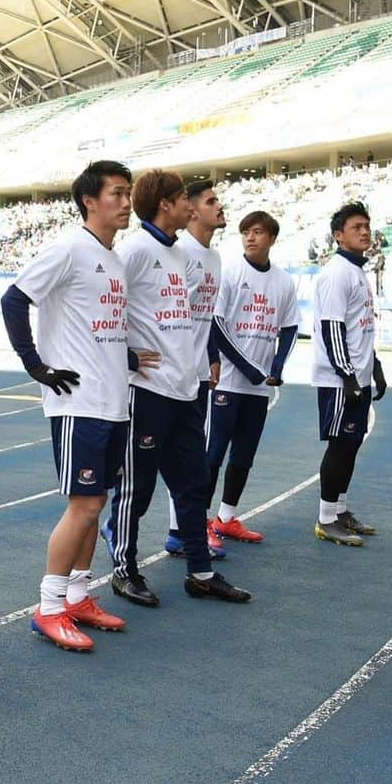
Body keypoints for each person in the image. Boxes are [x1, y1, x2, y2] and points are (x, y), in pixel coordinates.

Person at [0, 161, 160, 651]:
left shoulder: (111, 257)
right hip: (79, 402)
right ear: (90, 200)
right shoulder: (69, 249)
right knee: (84, 504)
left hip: (113, 400)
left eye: (128, 192)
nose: (126, 201)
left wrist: (126, 355)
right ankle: (48, 608)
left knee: (97, 504)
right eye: (116, 193)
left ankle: (77, 595)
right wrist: (36, 365)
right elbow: (14, 299)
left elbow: (97, 325)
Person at [104, 170, 251, 606]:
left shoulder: (178, 254)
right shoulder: (133, 251)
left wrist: (202, 361)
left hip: (185, 391)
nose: (191, 205)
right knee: (137, 488)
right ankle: (124, 570)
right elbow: (107, 306)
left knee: (192, 482)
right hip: (147, 391)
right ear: (166, 204)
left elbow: (189, 320)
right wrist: (127, 358)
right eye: (185, 198)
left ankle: (201, 572)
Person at [206, 211, 299, 542]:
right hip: (230, 381)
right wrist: (248, 368)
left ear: (271, 238)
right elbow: (216, 326)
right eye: (245, 232)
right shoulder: (230, 272)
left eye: (257, 232)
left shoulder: (284, 282)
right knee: (214, 452)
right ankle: (201, 523)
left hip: (259, 389)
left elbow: (289, 327)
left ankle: (226, 517)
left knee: (244, 454)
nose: (250, 237)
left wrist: (276, 368)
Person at [311, 202, 386, 545]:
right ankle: (326, 519)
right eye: (357, 227)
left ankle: (340, 510)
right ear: (338, 236)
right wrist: (349, 375)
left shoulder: (357, 271)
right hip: (341, 380)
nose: (365, 231)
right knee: (341, 445)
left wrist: (376, 367)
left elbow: (361, 328)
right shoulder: (337, 272)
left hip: (359, 375)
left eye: (367, 226)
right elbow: (332, 329)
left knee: (353, 444)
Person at [165, 180, 225, 559]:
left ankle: (182, 532)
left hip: (198, 372)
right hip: (171, 374)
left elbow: (206, 317)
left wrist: (212, 356)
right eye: (211, 200)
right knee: (167, 460)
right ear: (192, 210)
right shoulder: (180, 253)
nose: (219, 206)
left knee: (191, 459)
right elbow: (171, 317)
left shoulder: (215, 257)